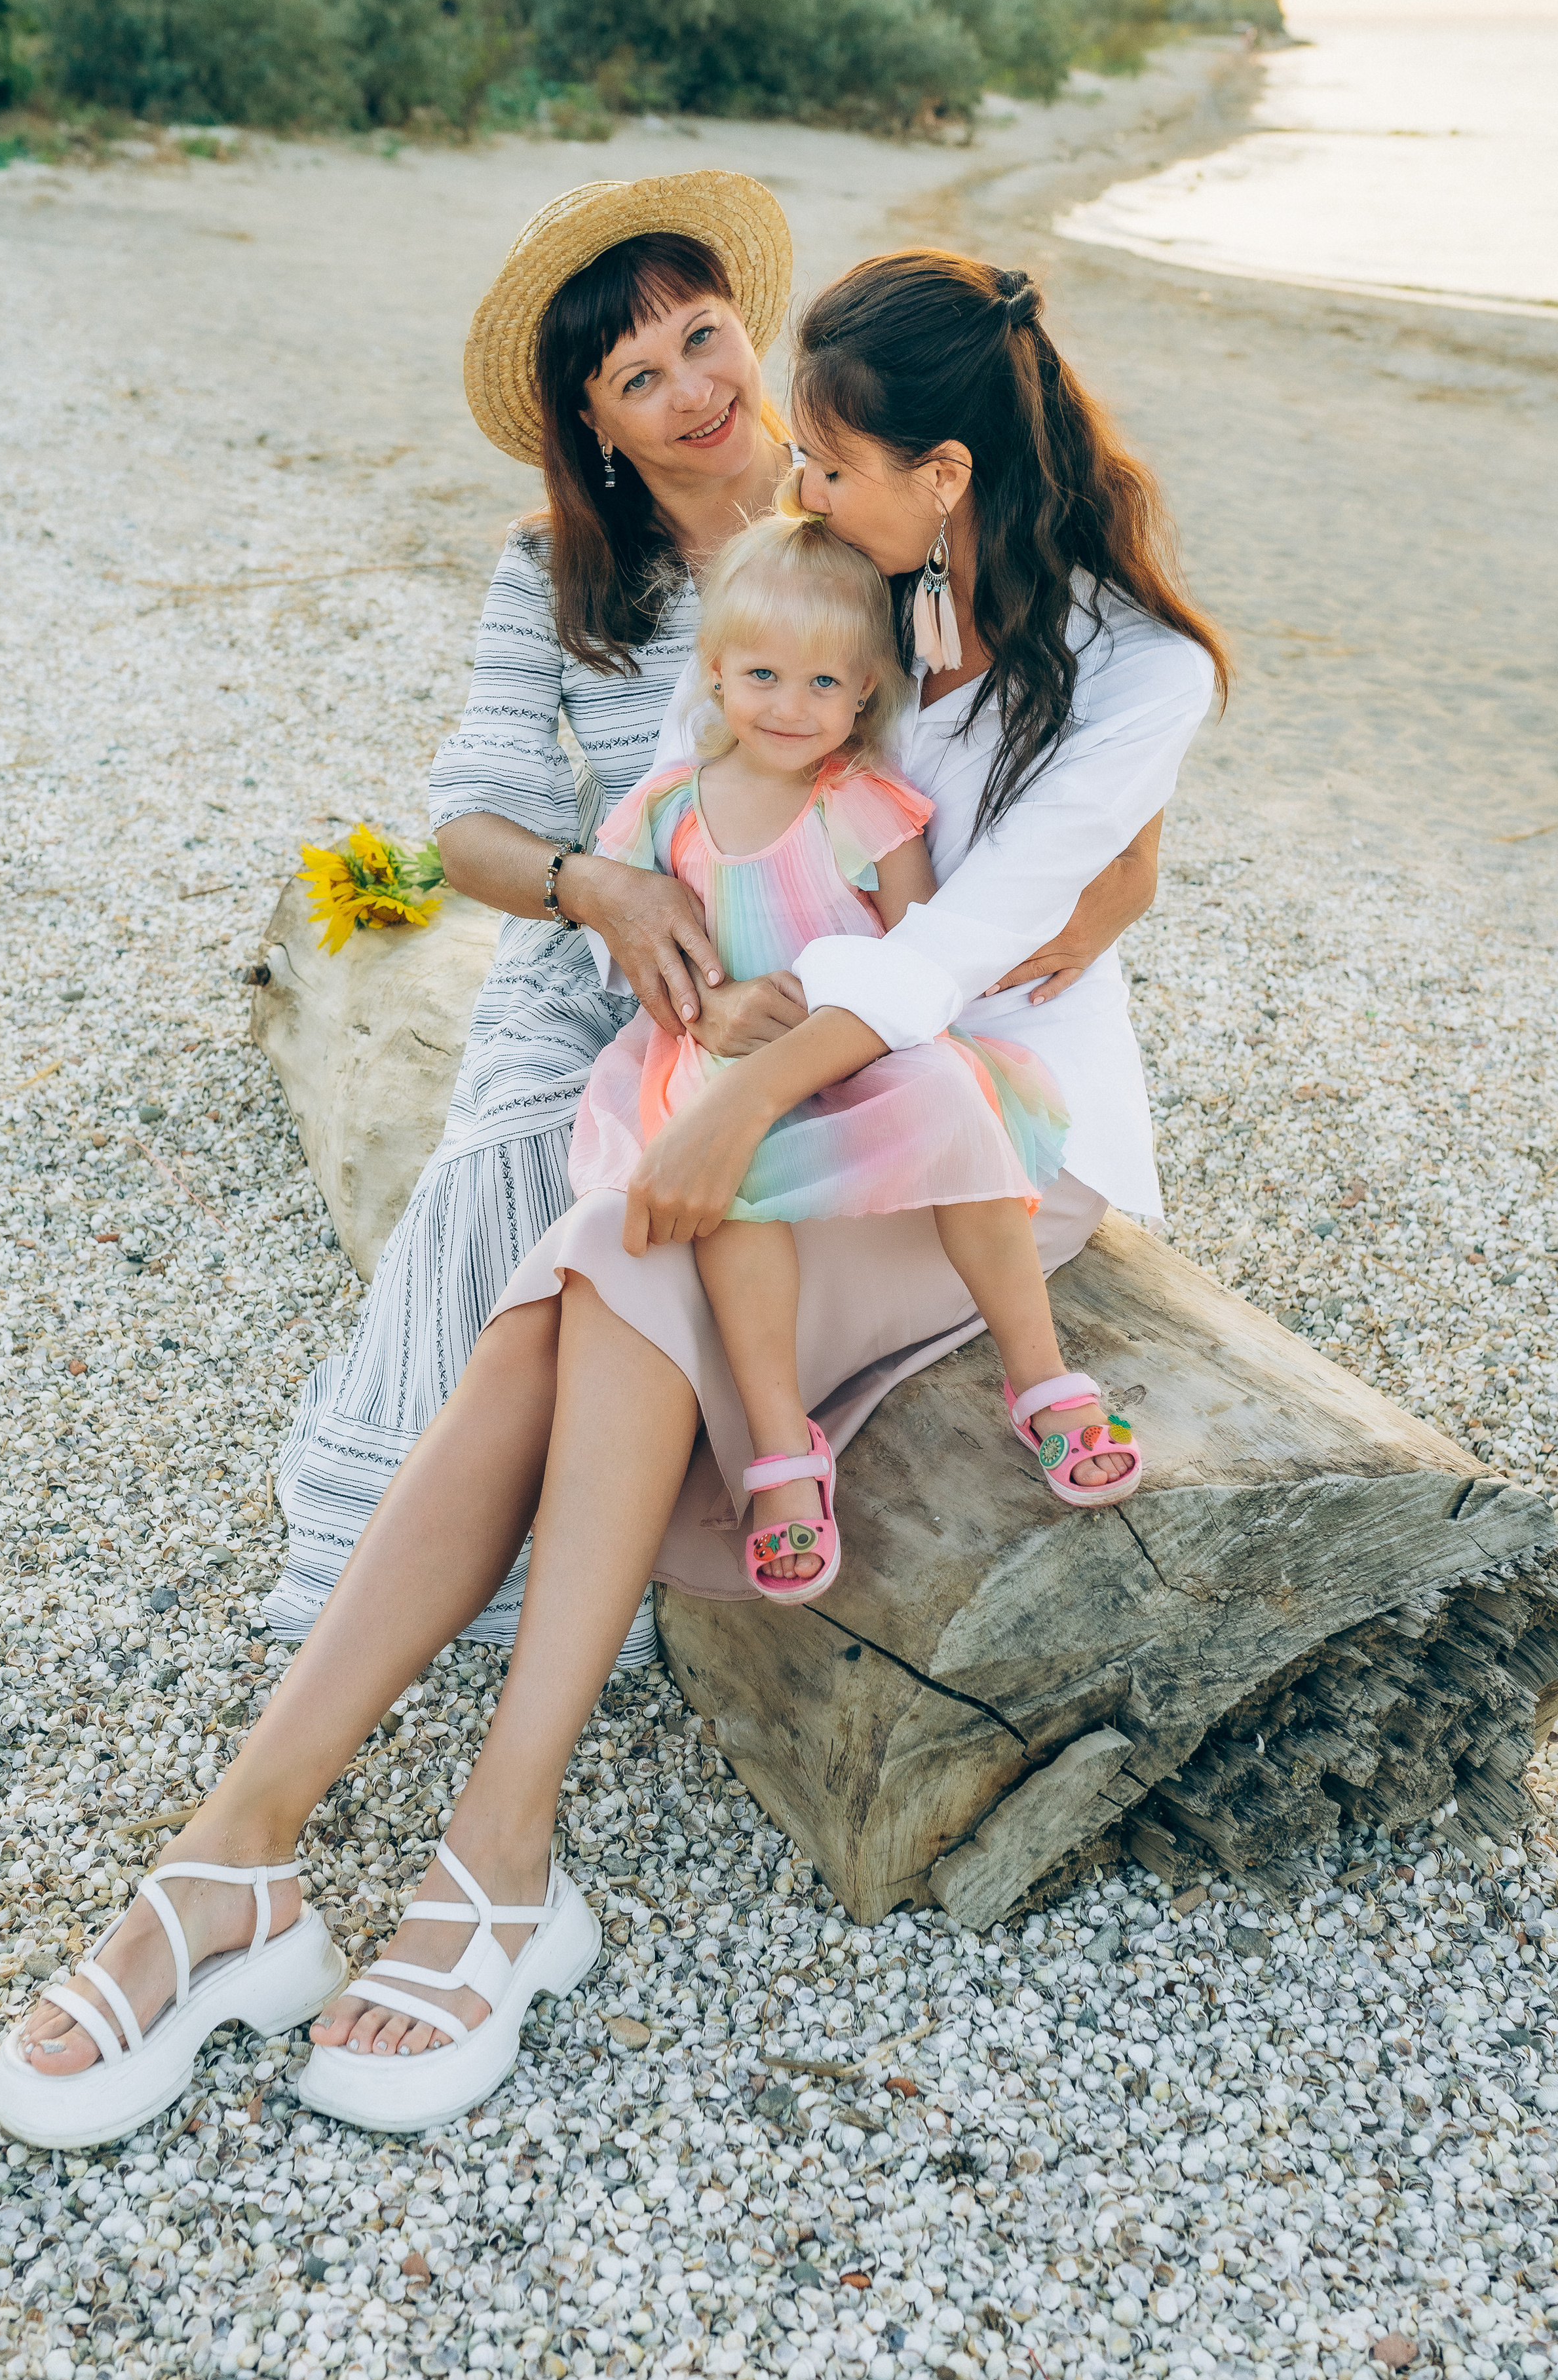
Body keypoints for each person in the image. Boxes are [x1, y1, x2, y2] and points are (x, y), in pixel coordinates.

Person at [0, 229, 1214, 2151]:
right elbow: (689, 818)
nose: (793, 476)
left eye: (829, 451)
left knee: (619, 1262)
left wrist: (723, 1119)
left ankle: (445, 1854)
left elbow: (952, 951)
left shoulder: (1131, 670)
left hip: (986, 1132)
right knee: (595, 1279)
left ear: (944, 475)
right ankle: (291, 1857)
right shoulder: (832, 598)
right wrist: (675, 1031)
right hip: (767, 1081)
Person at [264, 174, 1160, 1663]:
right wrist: (600, 890)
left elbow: (1040, 705)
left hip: (842, 974)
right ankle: (430, 1591)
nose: (690, 391)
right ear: (593, 425)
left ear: (748, 332)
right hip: (613, 976)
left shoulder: (866, 518)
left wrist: (1130, 860)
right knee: (508, 1206)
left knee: (705, 1222)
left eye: (700, 335)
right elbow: (471, 824)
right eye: (635, 377)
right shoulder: (554, 573)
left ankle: (680, 1522)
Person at [571, 506, 1135, 1604]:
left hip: (864, 1051)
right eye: (764, 677)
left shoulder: (864, 806)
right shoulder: (668, 809)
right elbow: (644, 946)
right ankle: (781, 1447)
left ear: (868, 693)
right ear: (716, 671)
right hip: (732, 1058)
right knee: (732, 1196)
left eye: (827, 685)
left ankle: (1041, 1371)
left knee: (957, 1104)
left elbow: (919, 955)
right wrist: (707, 1011)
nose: (791, 707)